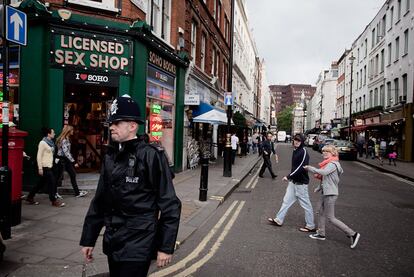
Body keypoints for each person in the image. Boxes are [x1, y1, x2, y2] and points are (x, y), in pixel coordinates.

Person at [80, 95, 181, 277]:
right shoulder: (110, 157)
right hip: (113, 242)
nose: (111, 126)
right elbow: (100, 202)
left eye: (117, 123)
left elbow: (170, 205)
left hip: (139, 244)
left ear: (133, 126)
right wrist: (89, 239)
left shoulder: (151, 156)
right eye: (111, 122)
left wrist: (165, 247)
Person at [304, 145, 361, 249]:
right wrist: (319, 187)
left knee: (331, 218)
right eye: (324, 151)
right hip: (325, 192)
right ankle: (321, 233)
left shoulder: (333, 164)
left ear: (333, 153)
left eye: (327, 152)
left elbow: (324, 173)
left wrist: (310, 168)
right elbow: (326, 178)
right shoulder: (328, 163)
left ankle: (353, 233)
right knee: (320, 212)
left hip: (330, 194)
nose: (325, 153)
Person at [267, 134, 315, 232]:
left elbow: (301, 167)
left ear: (302, 142)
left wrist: (289, 176)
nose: (296, 142)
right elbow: (295, 167)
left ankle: (310, 225)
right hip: (293, 182)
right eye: (295, 140)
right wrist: (291, 178)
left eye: (299, 140)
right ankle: (279, 220)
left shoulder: (304, 151)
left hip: (301, 183)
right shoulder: (295, 150)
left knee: (306, 205)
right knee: (286, 201)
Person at [25, 127, 65, 207]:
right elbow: (39, 156)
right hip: (44, 167)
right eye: (53, 133)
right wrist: (40, 168)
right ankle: (54, 201)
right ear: (48, 134)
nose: (54, 134)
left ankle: (30, 197)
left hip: (50, 166)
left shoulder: (51, 142)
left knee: (40, 184)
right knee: (52, 183)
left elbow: (50, 154)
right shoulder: (42, 143)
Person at [56, 125, 88, 198]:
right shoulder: (64, 139)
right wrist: (74, 162)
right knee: (58, 177)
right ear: (68, 131)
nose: (73, 132)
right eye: (72, 130)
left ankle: (77, 193)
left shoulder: (67, 139)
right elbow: (66, 152)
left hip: (66, 160)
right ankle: (54, 192)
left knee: (73, 174)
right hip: (62, 160)